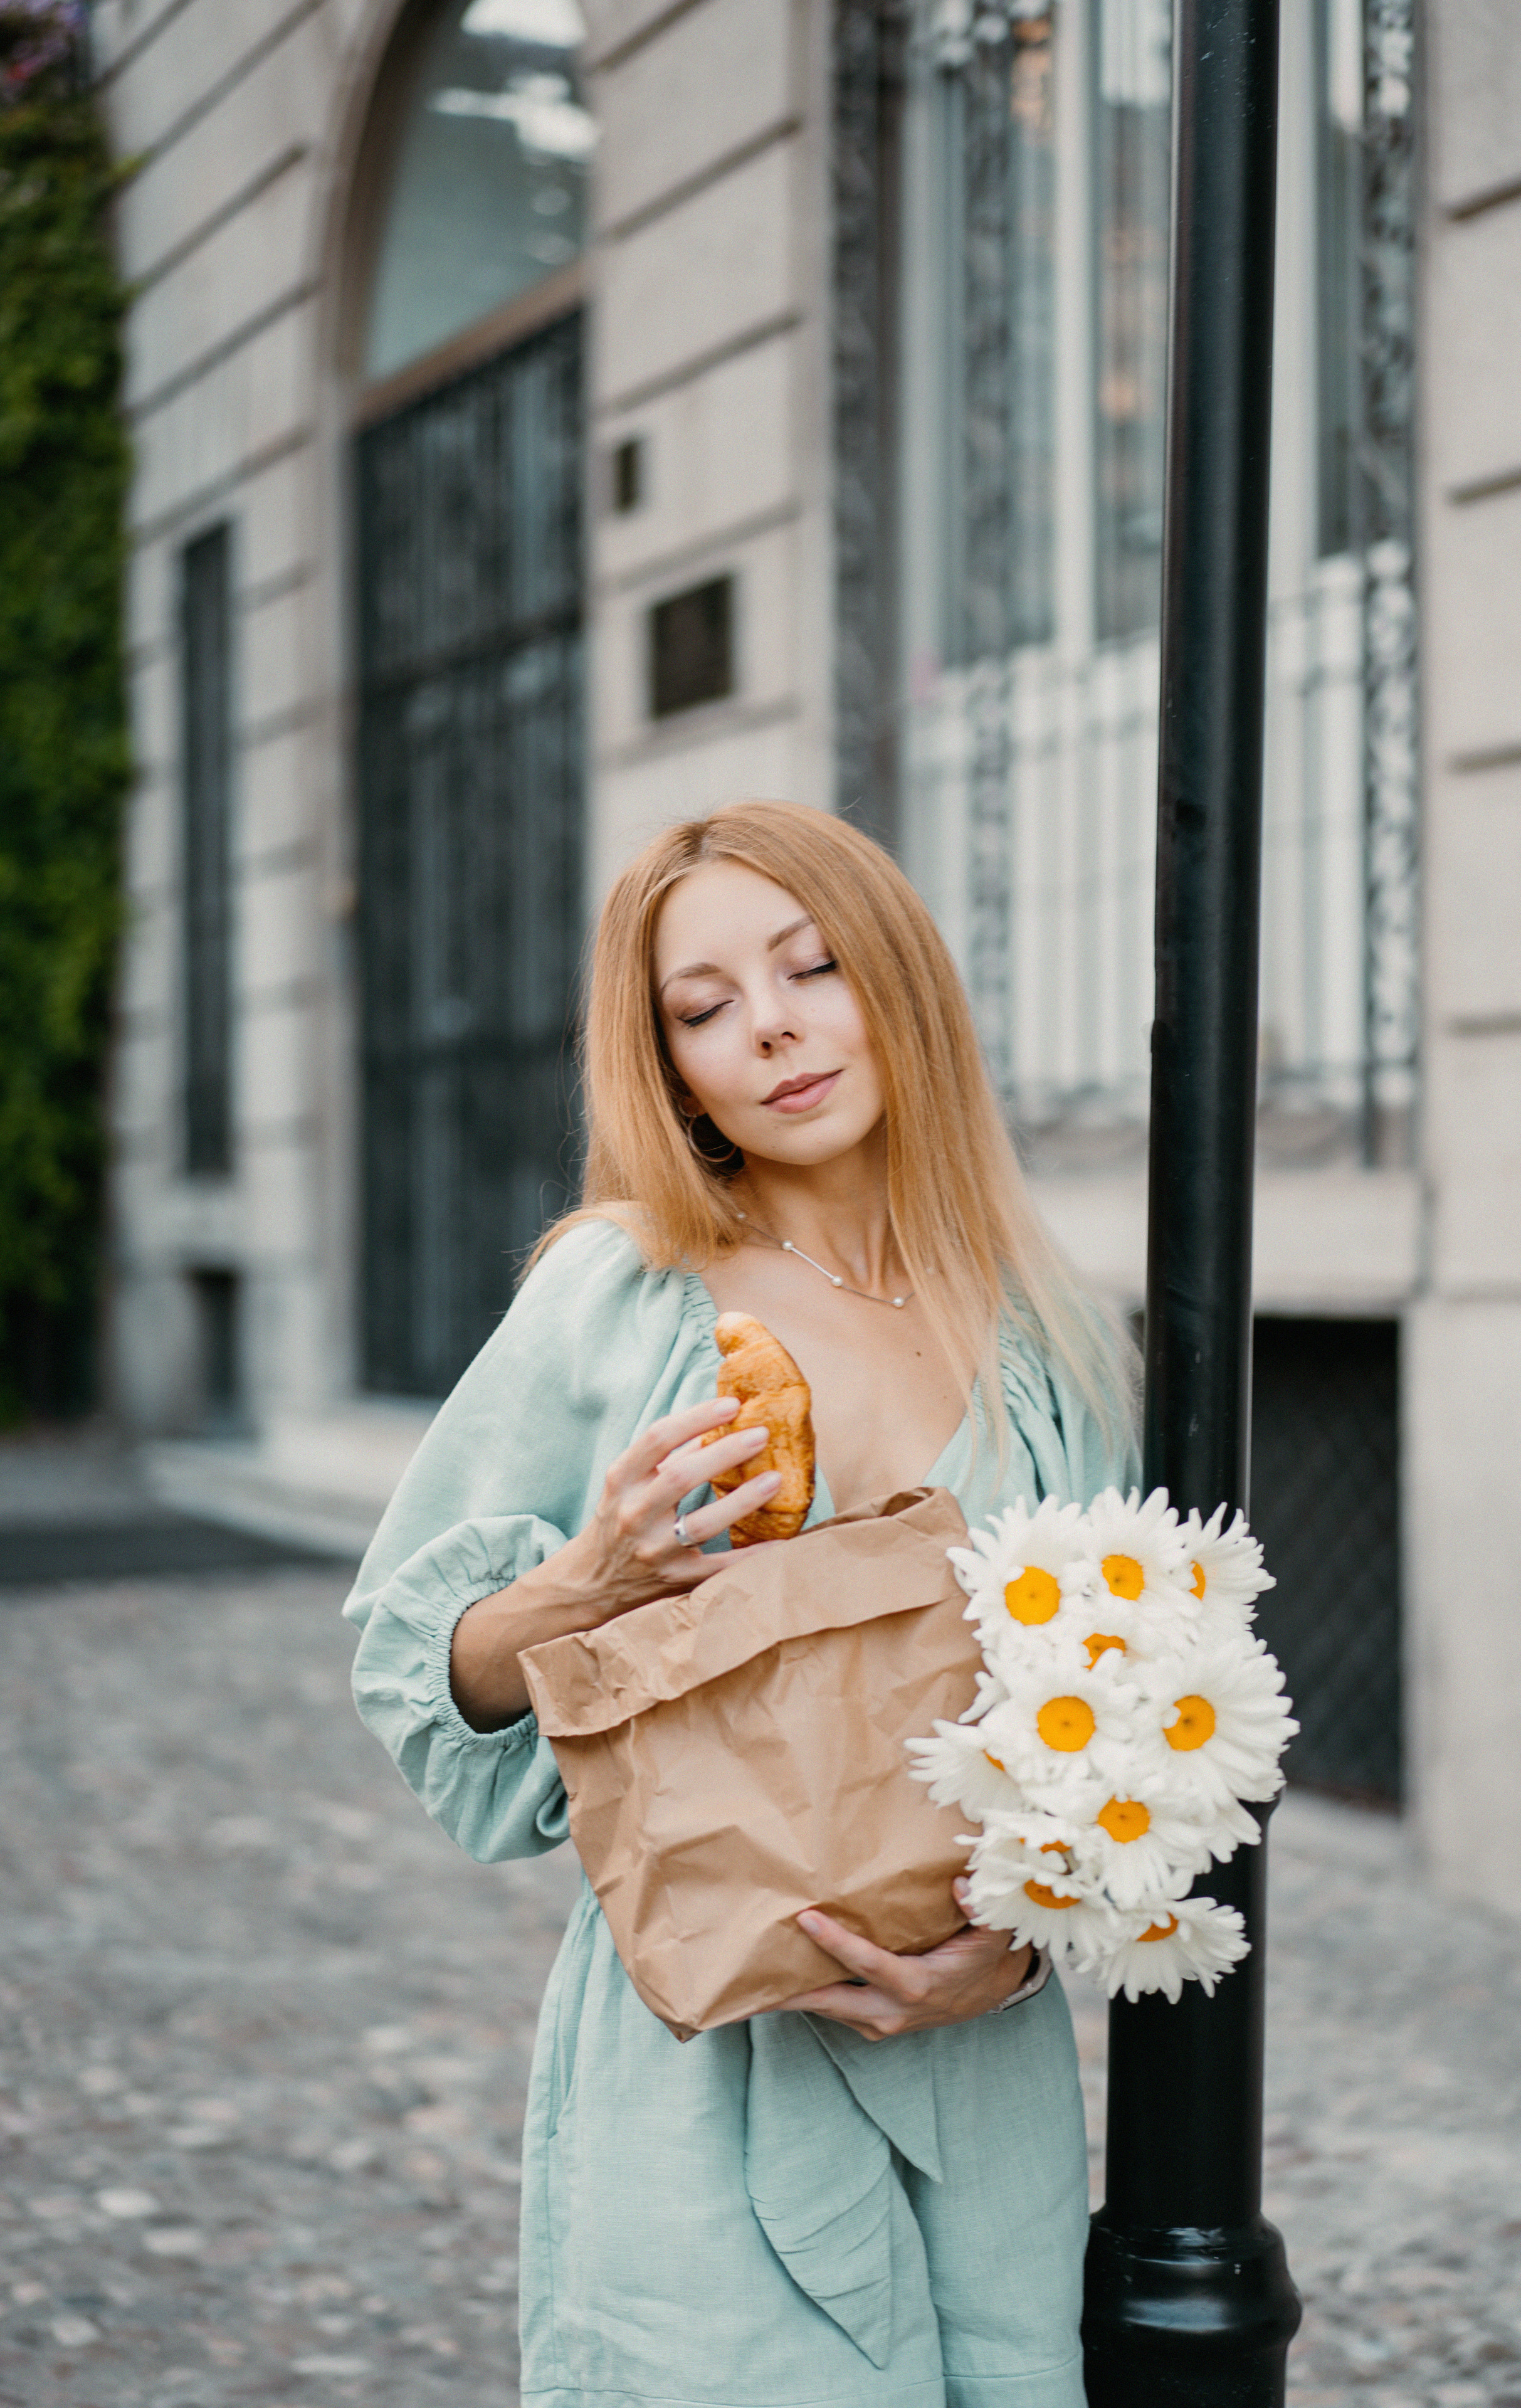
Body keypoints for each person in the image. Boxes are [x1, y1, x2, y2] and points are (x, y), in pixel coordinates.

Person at [345, 798, 1137, 2408]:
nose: (767, 1029)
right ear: (670, 1067)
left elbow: (1126, 1718)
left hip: (976, 2066)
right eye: (700, 1010)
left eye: (811, 967)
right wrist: (592, 1577)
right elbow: (422, 1680)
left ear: (895, 980)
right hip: (707, 2064)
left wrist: (1023, 1953)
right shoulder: (626, 1292)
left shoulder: (1039, 1334)